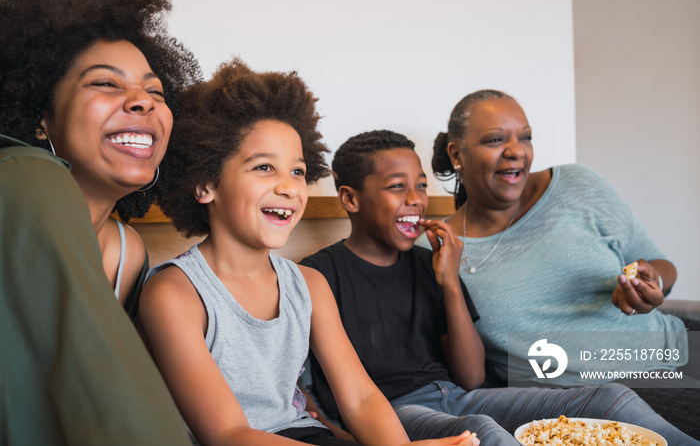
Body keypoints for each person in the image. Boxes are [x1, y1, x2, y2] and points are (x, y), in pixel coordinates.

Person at [137, 60, 478, 446]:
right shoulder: (174, 293)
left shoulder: (308, 284)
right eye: (265, 167)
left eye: (297, 171)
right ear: (205, 185)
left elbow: (362, 399)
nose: (289, 187)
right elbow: (228, 434)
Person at [300, 129, 699, 445]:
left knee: (610, 399)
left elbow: (471, 377)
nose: (415, 201)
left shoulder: (430, 263)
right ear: (350, 199)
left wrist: (450, 284)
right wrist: (339, 434)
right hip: (390, 412)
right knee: (483, 433)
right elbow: (305, 382)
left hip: (453, 394)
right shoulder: (318, 274)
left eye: (421, 186)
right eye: (396, 187)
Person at [421, 89, 700, 438]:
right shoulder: (438, 251)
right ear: (456, 153)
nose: (516, 151)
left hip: (679, 354)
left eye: (525, 137)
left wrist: (651, 283)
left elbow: (662, 265)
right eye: (495, 139)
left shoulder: (576, 185)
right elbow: (461, 372)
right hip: (596, 403)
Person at [0, 0, 200, 443]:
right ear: (39, 115)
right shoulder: (20, 173)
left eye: (157, 92)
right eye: (106, 83)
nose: (143, 101)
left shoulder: (130, 251)